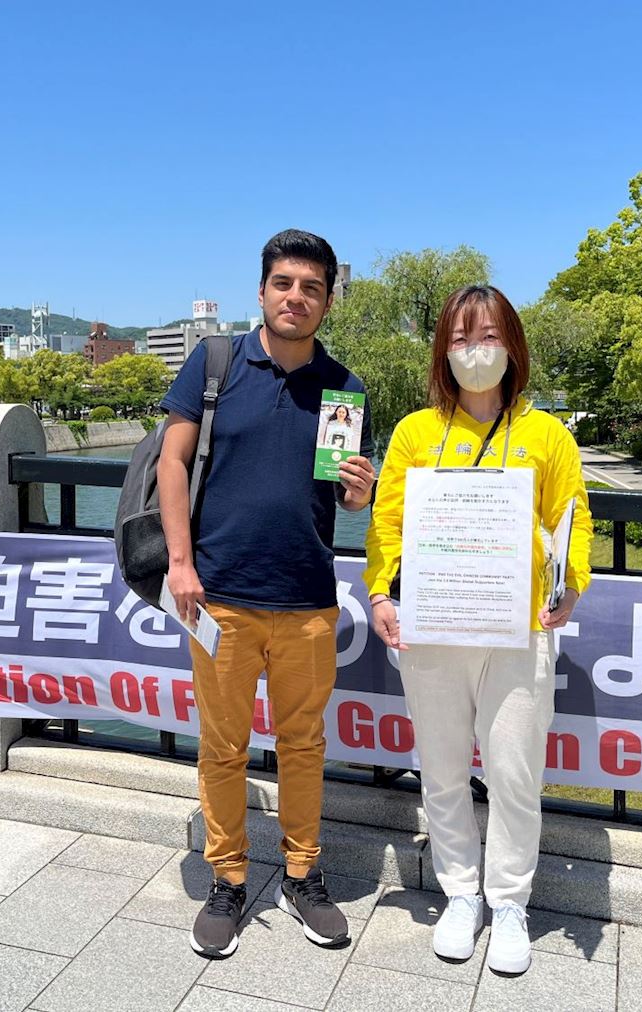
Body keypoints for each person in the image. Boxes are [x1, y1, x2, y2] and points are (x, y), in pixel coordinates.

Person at [158, 229, 376, 959]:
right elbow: (171, 462)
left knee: (303, 745)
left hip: (308, 599)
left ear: (328, 301)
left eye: (312, 287)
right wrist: (181, 564)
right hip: (219, 595)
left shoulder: (343, 388)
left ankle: (302, 873)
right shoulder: (215, 363)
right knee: (223, 747)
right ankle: (227, 878)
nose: (296, 297)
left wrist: (358, 495)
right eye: (284, 283)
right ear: (261, 291)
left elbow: (340, 496)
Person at [363, 284, 593, 975]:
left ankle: (511, 902)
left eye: (489, 335)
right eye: (461, 338)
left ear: (513, 346)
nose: (475, 351)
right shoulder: (415, 432)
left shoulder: (547, 435)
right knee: (441, 770)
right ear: (443, 351)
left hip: (518, 631)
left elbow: (572, 519)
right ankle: (461, 894)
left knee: (514, 773)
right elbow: (387, 521)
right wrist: (380, 590)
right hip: (434, 628)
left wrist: (571, 584)